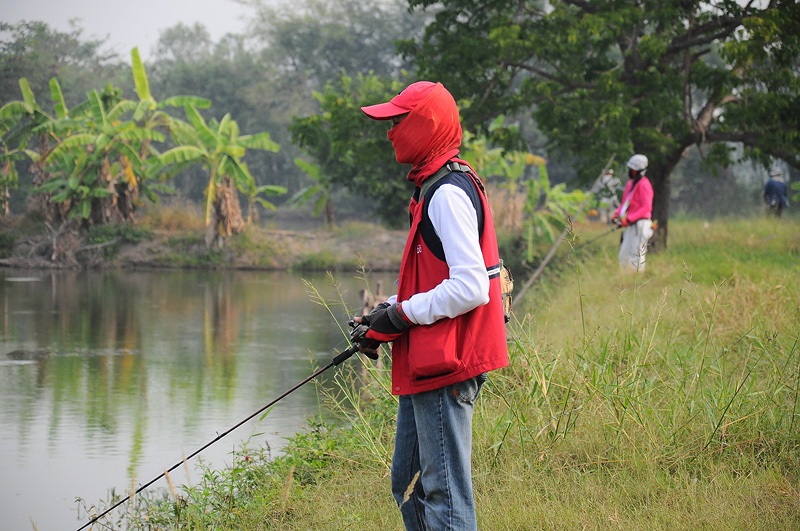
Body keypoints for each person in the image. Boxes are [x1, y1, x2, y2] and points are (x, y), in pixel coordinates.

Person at [355, 81, 509, 530]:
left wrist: (401, 315)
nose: (390, 132)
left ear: (426, 125)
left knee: (444, 491)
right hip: (429, 359)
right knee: (408, 480)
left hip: (448, 364)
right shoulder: (432, 187)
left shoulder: (446, 194)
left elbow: (470, 287)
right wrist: (384, 313)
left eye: (398, 122)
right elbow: (436, 279)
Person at [611, 154, 654, 272]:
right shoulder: (630, 184)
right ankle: (625, 282)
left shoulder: (645, 185)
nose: (629, 171)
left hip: (641, 224)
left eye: (632, 169)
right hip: (630, 225)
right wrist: (617, 215)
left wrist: (629, 219)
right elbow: (625, 203)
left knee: (637, 255)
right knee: (623, 255)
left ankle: (637, 282)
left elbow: (646, 207)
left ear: (637, 171)